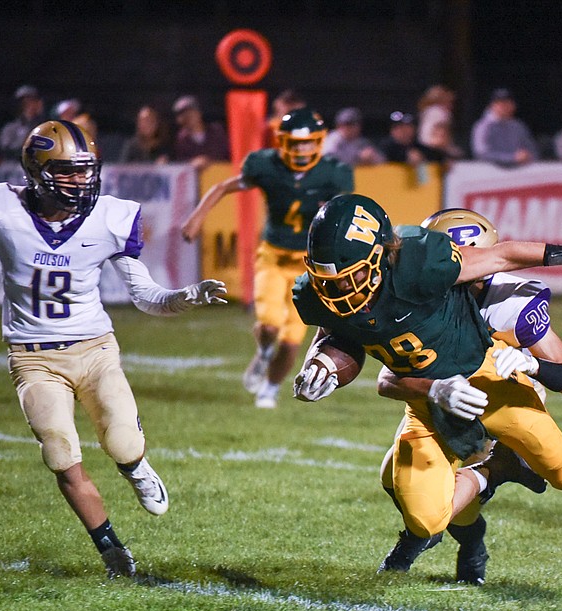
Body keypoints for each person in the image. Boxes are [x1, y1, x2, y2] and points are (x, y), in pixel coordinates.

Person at [0, 120, 228, 578]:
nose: (80, 180)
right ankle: (112, 550)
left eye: (86, 170)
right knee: (59, 451)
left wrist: (183, 298)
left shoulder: (110, 216)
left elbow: (145, 296)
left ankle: (136, 465)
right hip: (33, 357)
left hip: (95, 350)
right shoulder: (0, 209)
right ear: (37, 170)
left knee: (123, 442)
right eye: (68, 171)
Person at [290, 193, 562, 577]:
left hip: (490, 380)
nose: (341, 290)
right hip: (427, 403)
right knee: (424, 518)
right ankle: (490, 476)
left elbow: (505, 259)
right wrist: (320, 366)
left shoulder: (432, 266)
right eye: (329, 281)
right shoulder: (324, 292)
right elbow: (343, 339)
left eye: (350, 276)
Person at [371, 208, 562, 584]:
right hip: (440, 399)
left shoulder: (510, 302)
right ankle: (471, 538)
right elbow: (387, 378)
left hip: (498, 398)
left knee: (452, 483)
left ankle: (442, 520)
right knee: (391, 476)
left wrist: (531, 366)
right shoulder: (423, 298)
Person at [181, 108, 353, 409]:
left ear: (319, 142)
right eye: (295, 143)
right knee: (270, 326)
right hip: (273, 256)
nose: (301, 150)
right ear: (283, 142)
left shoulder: (333, 173)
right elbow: (224, 186)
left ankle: (270, 388)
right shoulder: (267, 165)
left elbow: (344, 214)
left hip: (309, 268)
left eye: (307, 143)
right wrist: (196, 218)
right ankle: (262, 353)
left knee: (291, 342)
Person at [470, 88, 538, 166]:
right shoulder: (483, 126)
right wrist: (512, 158)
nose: (504, 106)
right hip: (490, 172)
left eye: (508, 103)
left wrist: (527, 156)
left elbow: (532, 150)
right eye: (500, 103)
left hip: (519, 172)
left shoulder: (518, 126)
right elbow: (481, 153)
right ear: (492, 106)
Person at [171, 95, 229, 171]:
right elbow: (178, 165)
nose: (188, 117)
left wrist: (209, 160)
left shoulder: (216, 131)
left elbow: (228, 154)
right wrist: (192, 164)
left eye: (190, 112)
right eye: (183, 114)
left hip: (219, 177)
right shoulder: (181, 140)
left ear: (199, 112)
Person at [378, 110, 445, 165]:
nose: (403, 131)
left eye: (407, 127)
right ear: (391, 130)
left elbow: (436, 158)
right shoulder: (385, 147)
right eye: (398, 127)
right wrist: (406, 156)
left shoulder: (420, 147)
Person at [0, 85, 45, 163]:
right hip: (12, 165)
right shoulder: (10, 127)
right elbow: (5, 149)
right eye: (25, 103)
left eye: (32, 101)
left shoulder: (44, 126)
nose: (29, 106)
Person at [417, 84, 462, 159]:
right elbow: (440, 138)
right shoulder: (440, 113)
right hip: (435, 151)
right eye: (450, 102)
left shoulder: (427, 111)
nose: (452, 106)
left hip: (424, 148)